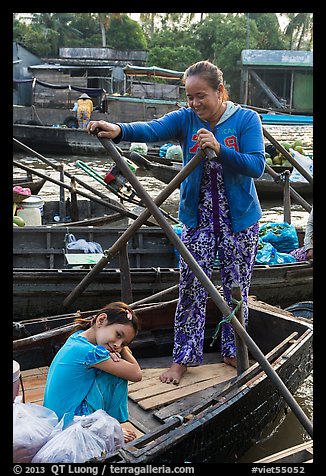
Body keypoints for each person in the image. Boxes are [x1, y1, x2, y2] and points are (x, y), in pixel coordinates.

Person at [87, 60, 265, 384]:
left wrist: (219, 149)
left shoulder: (246, 119)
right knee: (190, 288)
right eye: (190, 97)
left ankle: (232, 350)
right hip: (198, 220)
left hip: (239, 221)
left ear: (220, 92)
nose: (195, 104)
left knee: (235, 291)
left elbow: (256, 165)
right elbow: (153, 129)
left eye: (202, 96)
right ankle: (182, 359)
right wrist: (120, 130)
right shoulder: (186, 120)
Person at [43, 301, 142, 442]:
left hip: (56, 418)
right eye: (118, 335)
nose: (118, 345)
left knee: (116, 367)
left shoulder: (77, 337)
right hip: (67, 426)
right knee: (117, 375)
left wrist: (118, 348)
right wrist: (124, 351)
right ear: (101, 320)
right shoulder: (87, 352)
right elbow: (136, 374)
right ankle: (109, 427)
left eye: (124, 343)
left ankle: (107, 425)